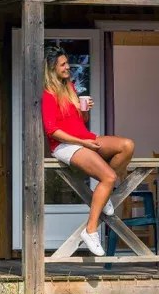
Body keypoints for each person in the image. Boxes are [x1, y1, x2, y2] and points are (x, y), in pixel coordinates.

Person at [41, 45, 135, 256]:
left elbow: (80, 122)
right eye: (63, 64)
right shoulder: (48, 95)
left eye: (67, 63)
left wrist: (84, 111)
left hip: (84, 139)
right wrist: (83, 144)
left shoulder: (70, 88)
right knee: (109, 176)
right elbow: (52, 131)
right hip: (66, 146)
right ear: (52, 68)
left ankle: (104, 194)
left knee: (126, 146)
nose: (67, 67)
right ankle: (90, 231)